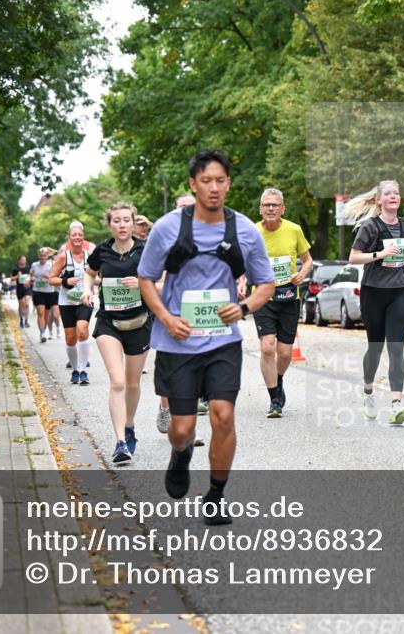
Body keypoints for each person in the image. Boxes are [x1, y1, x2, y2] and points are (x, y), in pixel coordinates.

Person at [138, 149, 274, 525]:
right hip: (177, 342)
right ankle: (180, 454)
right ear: (193, 185)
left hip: (222, 341)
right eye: (206, 181)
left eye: (220, 181)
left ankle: (215, 495)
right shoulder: (168, 227)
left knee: (223, 415)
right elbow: (146, 278)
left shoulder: (244, 229)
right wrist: (165, 318)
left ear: (229, 183)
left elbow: (266, 284)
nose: (214, 188)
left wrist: (243, 308)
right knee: (182, 429)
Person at [83, 202, 153, 465]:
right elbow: (89, 274)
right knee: (118, 382)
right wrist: (88, 290)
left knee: (133, 383)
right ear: (109, 224)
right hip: (109, 322)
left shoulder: (145, 250)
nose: (122, 225)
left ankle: (130, 423)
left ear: (133, 223)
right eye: (117, 221)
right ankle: (120, 441)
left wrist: (142, 283)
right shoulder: (101, 251)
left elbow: (164, 280)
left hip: (139, 321)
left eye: (126, 220)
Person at [345, 180, 404, 425]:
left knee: (396, 347)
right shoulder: (370, 227)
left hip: (399, 291)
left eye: (396, 193)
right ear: (379, 200)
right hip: (373, 292)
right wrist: (379, 255)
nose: (393, 196)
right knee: (375, 347)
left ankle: (397, 403)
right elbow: (353, 257)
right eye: (388, 194)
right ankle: (368, 391)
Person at [237, 188, 312, 419]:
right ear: (260, 209)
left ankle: (278, 380)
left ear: (282, 209)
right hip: (262, 295)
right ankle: (274, 400)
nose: (270, 208)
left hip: (289, 295)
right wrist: (241, 280)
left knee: (285, 352)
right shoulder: (252, 232)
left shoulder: (294, 230)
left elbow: (308, 260)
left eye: (274, 205)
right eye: (266, 205)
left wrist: (303, 273)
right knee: (267, 346)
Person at [156, 192, 210, 434]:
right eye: (182, 208)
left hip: (199, 314)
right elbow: (149, 281)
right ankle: (165, 406)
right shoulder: (163, 240)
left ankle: (188, 428)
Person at [51, 221, 95, 386]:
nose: (77, 237)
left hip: (85, 299)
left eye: (80, 235)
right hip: (66, 301)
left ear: (83, 237)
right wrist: (65, 280)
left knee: (82, 331)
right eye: (74, 235)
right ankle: (75, 369)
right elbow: (51, 279)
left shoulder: (90, 257)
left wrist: (98, 282)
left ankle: (83, 371)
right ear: (69, 237)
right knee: (70, 338)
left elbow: (98, 277)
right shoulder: (63, 256)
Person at [30, 248, 57, 342]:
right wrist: (30, 280)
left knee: (46, 314)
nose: (42, 257)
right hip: (37, 291)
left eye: (44, 256)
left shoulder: (51, 265)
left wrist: (48, 277)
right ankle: (42, 333)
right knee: (40, 313)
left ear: (47, 256)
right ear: (38, 256)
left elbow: (55, 278)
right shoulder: (34, 265)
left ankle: (44, 331)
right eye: (41, 256)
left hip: (49, 292)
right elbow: (31, 275)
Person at [12, 255, 32, 328]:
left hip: (27, 288)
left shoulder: (28, 268)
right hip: (20, 289)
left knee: (27, 304)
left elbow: (31, 276)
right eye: (23, 260)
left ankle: (26, 321)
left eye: (25, 260)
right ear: (19, 261)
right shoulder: (15, 269)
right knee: (21, 305)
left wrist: (30, 279)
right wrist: (17, 276)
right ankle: (21, 320)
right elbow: (12, 279)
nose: (24, 261)